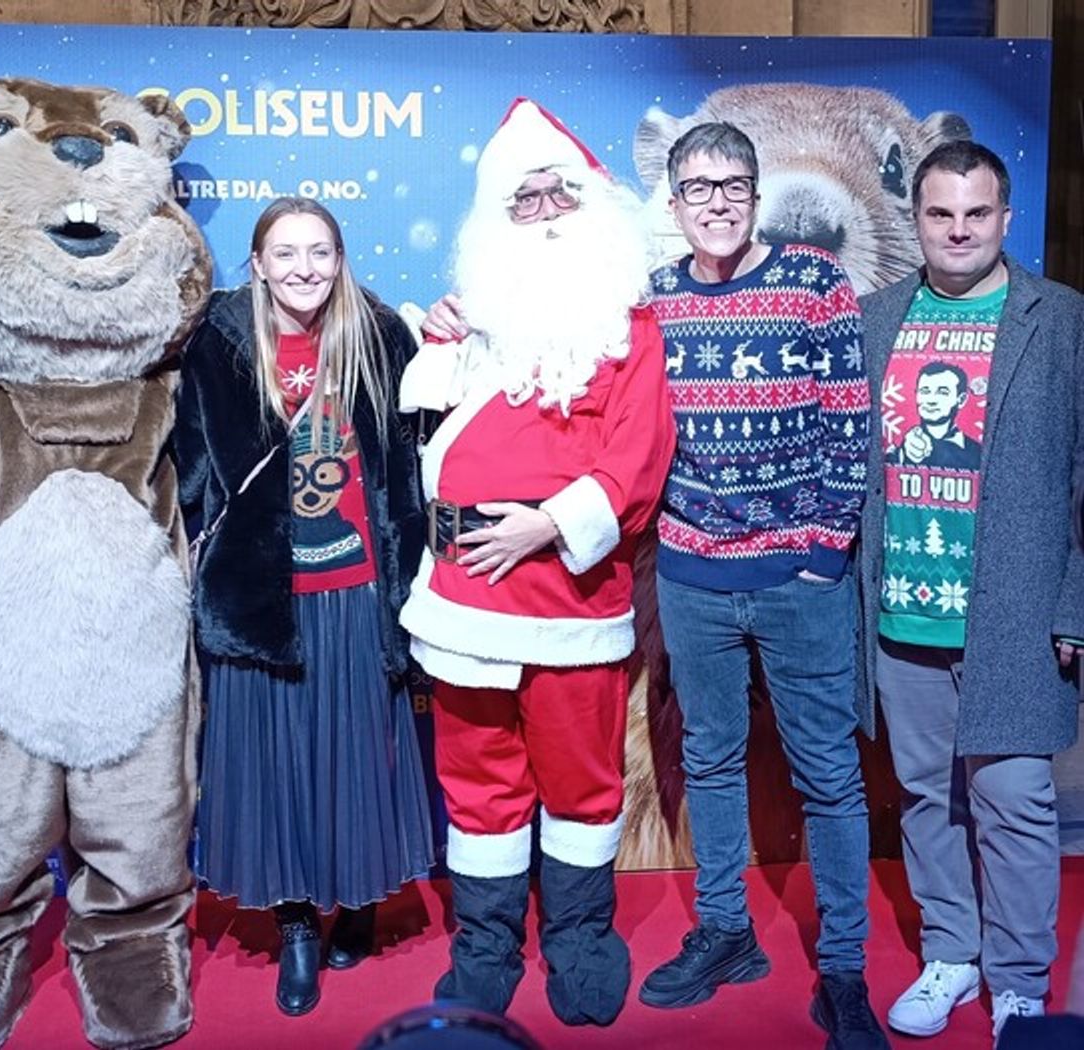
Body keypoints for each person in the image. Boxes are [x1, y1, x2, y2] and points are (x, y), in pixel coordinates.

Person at [408, 98, 676, 1026]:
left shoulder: (629, 325)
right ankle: (484, 945)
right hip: (463, 597)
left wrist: (547, 525)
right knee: (478, 778)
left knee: (582, 780)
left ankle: (578, 936)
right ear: (495, 220)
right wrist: (442, 341)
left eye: (561, 190)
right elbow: (425, 439)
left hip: (569, 594)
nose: (547, 209)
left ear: (594, 203)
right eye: (524, 199)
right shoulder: (470, 319)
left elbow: (637, 458)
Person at [637, 121, 887, 1049]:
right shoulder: (655, 298)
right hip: (694, 577)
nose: (718, 200)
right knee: (708, 758)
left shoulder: (815, 284)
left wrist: (822, 553)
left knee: (828, 776)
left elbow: (847, 423)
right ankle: (727, 932)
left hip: (798, 578)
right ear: (674, 204)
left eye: (734, 182)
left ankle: (846, 971)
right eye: (698, 187)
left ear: (754, 191)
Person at [175, 197, 435, 1018]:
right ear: (256, 263)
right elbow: (190, 463)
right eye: (284, 253)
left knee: (360, 755)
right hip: (264, 594)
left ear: (340, 257)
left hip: (358, 589)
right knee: (276, 761)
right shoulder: (218, 345)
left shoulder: (383, 336)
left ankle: (358, 902)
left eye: (319, 251)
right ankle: (295, 926)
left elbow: (413, 458)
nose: (303, 268)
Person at [857, 140, 1084, 1042]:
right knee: (926, 794)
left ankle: (1020, 982)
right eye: (940, 213)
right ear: (915, 219)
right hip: (903, 607)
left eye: (976, 213)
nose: (958, 230)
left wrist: (1076, 605)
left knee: (1017, 800)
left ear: (1005, 216)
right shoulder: (876, 318)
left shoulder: (1061, 320)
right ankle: (952, 950)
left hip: (1016, 615)